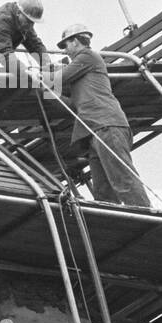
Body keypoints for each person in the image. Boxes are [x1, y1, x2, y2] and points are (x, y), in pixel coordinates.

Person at [51, 23, 151, 207]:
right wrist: (52, 95)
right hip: (95, 130)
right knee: (103, 191)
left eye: (65, 45)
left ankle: (147, 216)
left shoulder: (87, 56)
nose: (65, 51)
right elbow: (75, 106)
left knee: (123, 180)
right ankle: (114, 225)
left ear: (75, 41)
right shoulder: (82, 70)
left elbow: (57, 78)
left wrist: (33, 76)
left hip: (107, 126)